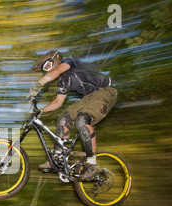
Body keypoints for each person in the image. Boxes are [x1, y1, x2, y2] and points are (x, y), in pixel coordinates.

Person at [29, 50, 117, 181]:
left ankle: (92, 164)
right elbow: (58, 102)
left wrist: (38, 85)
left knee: (82, 119)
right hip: (89, 98)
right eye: (45, 69)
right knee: (64, 119)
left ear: (55, 59)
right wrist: (41, 110)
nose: (48, 70)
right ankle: (58, 159)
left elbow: (57, 71)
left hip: (105, 91)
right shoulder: (63, 81)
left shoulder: (70, 60)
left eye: (48, 66)